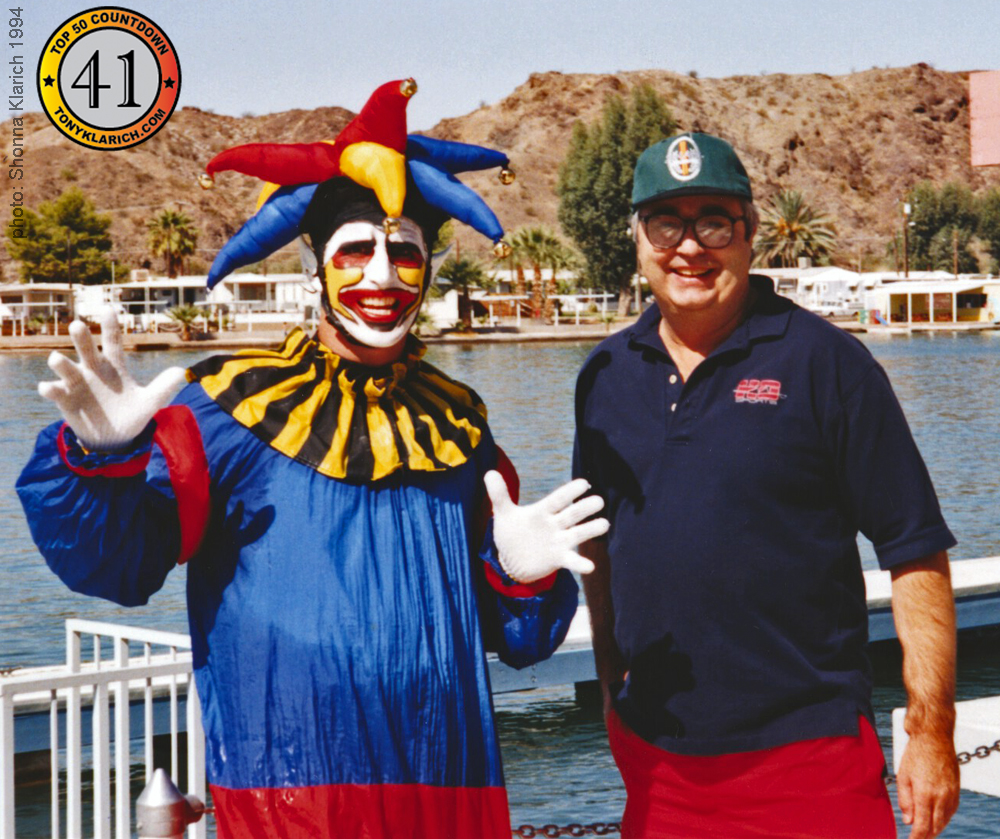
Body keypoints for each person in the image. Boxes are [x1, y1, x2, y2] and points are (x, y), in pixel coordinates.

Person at [17, 79, 607, 839]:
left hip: (448, 789)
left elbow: (519, 642)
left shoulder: (459, 425)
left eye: (404, 251)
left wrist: (521, 578)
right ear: (316, 268)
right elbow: (118, 568)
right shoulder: (227, 409)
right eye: (356, 249)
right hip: (289, 799)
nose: (381, 275)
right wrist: (99, 463)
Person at [573, 132, 960, 839]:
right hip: (659, 766)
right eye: (667, 223)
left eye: (713, 222)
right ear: (638, 240)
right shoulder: (604, 377)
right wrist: (609, 687)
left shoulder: (829, 365)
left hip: (809, 758)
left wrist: (931, 730)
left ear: (749, 233)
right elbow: (597, 547)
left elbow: (915, 551)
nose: (689, 247)